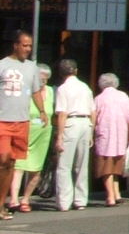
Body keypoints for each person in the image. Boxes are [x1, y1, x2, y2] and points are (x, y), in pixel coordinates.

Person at [0, 31, 47, 221]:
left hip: (22, 122)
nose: (27, 49)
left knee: (11, 163)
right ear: (15, 45)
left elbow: (36, 92)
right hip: (2, 120)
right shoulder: (2, 65)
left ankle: (2, 203)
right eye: (24, 45)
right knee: (3, 159)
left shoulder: (31, 67)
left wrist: (42, 111)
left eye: (30, 46)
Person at [7, 58, 53, 214]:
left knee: (36, 169)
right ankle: (13, 199)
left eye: (45, 80)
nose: (42, 82)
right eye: (40, 79)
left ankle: (25, 199)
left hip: (43, 133)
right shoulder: (26, 91)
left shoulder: (52, 92)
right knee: (19, 166)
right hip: (26, 130)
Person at [52, 59, 96, 211]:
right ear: (75, 71)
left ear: (61, 73)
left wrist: (59, 136)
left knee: (64, 165)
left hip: (71, 123)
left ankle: (64, 202)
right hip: (85, 123)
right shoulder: (85, 87)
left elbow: (62, 113)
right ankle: (80, 200)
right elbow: (93, 111)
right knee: (82, 164)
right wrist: (91, 131)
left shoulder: (63, 89)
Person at [93, 73, 129, 206]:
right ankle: (117, 193)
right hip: (120, 137)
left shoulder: (99, 99)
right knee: (116, 167)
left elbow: (94, 119)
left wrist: (91, 134)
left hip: (104, 137)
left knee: (105, 168)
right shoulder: (123, 96)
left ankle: (110, 196)